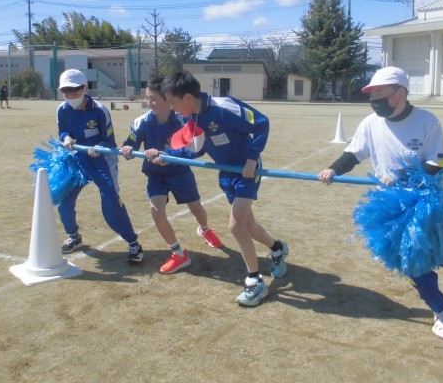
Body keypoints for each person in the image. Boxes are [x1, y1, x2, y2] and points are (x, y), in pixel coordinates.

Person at [318, 66, 443, 341]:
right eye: (372, 95)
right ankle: (441, 311)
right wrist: (333, 168)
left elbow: (439, 162)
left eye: (380, 94)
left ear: (400, 93)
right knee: (413, 263)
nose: (375, 100)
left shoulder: (427, 121)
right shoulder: (370, 123)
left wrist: (401, 175)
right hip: (394, 208)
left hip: (431, 200)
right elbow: (353, 153)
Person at [147, 71, 288, 307]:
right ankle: (277, 248)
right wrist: (167, 156)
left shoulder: (224, 107)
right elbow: (195, 149)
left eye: (173, 102)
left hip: (247, 171)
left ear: (187, 98)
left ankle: (255, 281)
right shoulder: (192, 118)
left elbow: (262, 123)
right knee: (249, 226)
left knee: (236, 225)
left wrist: (251, 158)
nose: (171, 107)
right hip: (227, 173)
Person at [121, 77, 221, 274]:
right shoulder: (141, 122)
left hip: (180, 172)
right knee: (156, 211)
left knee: (197, 209)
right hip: (155, 174)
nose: (149, 102)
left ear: (168, 99)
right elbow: (131, 143)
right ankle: (178, 253)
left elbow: (195, 150)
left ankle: (205, 229)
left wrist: (168, 157)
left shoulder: (184, 121)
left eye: (154, 98)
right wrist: (128, 150)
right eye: (147, 98)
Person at [56, 69, 143, 263]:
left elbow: (109, 141)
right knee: (65, 200)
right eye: (66, 93)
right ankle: (74, 237)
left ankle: (134, 244)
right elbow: (62, 131)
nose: (71, 97)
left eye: (75, 92)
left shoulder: (99, 110)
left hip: (102, 161)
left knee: (111, 202)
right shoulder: (62, 110)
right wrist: (66, 138)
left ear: (85, 89)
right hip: (77, 160)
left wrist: (99, 148)